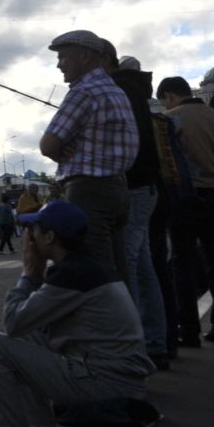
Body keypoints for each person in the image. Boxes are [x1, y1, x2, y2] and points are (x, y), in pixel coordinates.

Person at [0, 201, 156, 427]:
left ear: (49, 237)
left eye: (34, 229)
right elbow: (29, 325)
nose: (29, 237)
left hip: (105, 384)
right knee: (28, 335)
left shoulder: (71, 274)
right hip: (119, 378)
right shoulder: (89, 266)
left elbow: (13, 322)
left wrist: (27, 272)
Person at [38, 30, 137, 289]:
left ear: (83, 57)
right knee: (119, 270)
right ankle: (130, 325)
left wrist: (60, 151)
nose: (58, 64)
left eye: (62, 57)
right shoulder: (115, 91)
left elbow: (47, 145)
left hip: (89, 191)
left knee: (97, 273)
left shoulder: (84, 92)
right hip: (118, 189)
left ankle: (108, 328)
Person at [157, 77, 214, 346]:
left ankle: (189, 330)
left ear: (169, 96)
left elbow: (163, 162)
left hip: (182, 197)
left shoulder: (168, 119)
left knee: (183, 262)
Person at [112, 55, 172, 368]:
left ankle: (135, 347)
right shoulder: (141, 93)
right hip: (149, 185)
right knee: (144, 264)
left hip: (134, 184)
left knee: (129, 264)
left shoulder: (120, 89)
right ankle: (156, 342)